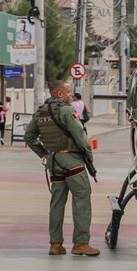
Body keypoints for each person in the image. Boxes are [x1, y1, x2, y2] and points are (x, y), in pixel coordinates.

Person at [24, 80, 99, 257]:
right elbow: (80, 136)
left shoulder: (40, 113)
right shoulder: (66, 110)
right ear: (59, 94)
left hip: (54, 162)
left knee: (56, 204)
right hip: (72, 161)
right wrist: (88, 155)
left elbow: (29, 136)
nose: (70, 95)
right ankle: (81, 243)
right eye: (67, 92)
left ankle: (55, 244)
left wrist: (44, 154)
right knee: (81, 199)